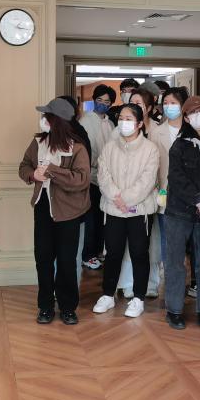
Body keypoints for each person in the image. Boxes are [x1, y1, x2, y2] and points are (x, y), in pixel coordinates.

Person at [19, 98, 90, 325]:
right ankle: (46, 306)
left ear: (57, 121)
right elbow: (24, 166)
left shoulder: (77, 148)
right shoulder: (38, 142)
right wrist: (33, 175)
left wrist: (51, 171)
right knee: (43, 258)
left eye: (46, 116)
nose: (42, 120)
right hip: (43, 208)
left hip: (69, 212)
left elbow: (81, 180)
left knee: (67, 261)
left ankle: (68, 308)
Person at [93, 104, 159, 318]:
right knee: (112, 253)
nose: (124, 122)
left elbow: (147, 181)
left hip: (139, 210)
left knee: (140, 253)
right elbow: (103, 175)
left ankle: (138, 298)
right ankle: (107, 295)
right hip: (113, 210)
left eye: (129, 119)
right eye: (121, 118)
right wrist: (117, 198)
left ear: (139, 123)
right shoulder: (110, 147)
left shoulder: (150, 149)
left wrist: (126, 200)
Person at [163, 95, 200, 329]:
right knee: (175, 263)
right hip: (179, 213)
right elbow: (176, 178)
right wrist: (198, 200)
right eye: (194, 112)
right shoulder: (178, 146)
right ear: (186, 118)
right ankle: (174, 310)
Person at [149, 86, 190, 294]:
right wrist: (157, 191)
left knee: (190, 243)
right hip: (165, 194)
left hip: (190, 196)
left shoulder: (192, 129)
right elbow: (152, 166)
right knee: (168, 242)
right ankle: (172, 288)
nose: (168, 107)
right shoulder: (156, 132)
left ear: (183, 105)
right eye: (165, 103)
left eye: (173, 103)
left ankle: (191, 283)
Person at [79, 85, 116, 270]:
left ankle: (98, 251)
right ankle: (88, 254)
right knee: (91, 218)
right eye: (99, 100)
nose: (102, 104)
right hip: (92, 175)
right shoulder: (86, 121)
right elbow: (87, 150)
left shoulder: (110, 123)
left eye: (107, 101)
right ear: (93, 100)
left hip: (108, 177)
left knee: (103, 217)